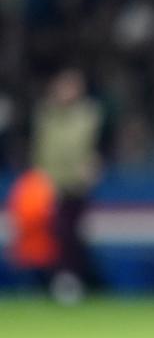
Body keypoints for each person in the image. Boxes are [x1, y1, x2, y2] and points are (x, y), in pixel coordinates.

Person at [31, 68, 103, 302]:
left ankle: (72, 279)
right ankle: (55, 279)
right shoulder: (47, 115)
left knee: (71, 234)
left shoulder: (88, 115)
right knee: (52, 234)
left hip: (76, 184)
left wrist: (93, 163)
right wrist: (39, 176)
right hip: (49, 184)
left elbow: (97, 145)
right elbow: (40, 148)